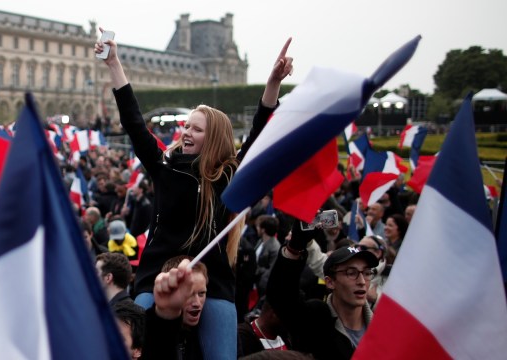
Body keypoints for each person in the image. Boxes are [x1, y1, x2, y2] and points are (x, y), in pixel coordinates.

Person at [96, 29, 293, 360]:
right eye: (186, 126)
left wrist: (273, 82)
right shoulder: (164, 166)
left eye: (195, 128)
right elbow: (133, 121)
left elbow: (260, 130)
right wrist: (113, 63)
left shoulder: (227, 175)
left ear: (213, 138)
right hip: (157, 275)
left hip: (212, 280)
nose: (185, 132)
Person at [267, 231, 379, 360]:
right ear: (330, 282)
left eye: (367, 272)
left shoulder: (384, 330)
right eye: (351, 272)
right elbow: (281, 297)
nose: (361, 281)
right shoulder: (315, 320)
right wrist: (294, 248)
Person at [142, 257, 209, 360]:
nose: (197, 303)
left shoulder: (212, 334)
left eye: (201, 293)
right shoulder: (144, 331)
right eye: (189, 294)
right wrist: (167, 312)